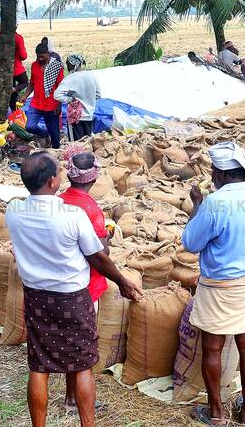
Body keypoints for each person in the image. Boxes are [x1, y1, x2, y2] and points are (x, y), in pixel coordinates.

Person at [5, 151, 141, 427]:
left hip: (36, 298)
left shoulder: (13, 211)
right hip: (72, 298)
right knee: (81, 365)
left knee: (39, 365)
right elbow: (98, 257)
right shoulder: (73, 215)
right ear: (53, 181)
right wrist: (123, 281)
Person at [182, 142, 245, 426]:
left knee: (212, 348)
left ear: (223, 174)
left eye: (214, 171)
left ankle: (216, 415)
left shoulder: (215, 202)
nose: (212, 176)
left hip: (218, 286)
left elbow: (190, 243)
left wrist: (197, 205)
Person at [57, 151, 140, 414]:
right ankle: (74, 400)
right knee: (80, 347)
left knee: (67, 341)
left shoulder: (58, 201)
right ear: (94, 177)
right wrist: (108, 239)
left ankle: (71, 396)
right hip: (84, 286)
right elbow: (99, 254)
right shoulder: (90, 208)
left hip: (59, 283)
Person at [24, 43, 64, 149]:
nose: (40, 59)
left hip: (52, 105)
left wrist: (59, 105)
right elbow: (32, 83)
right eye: (38, 56)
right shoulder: (34, 65)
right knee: (29, 126)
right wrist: (25, 96)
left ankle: (56, 154)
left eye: (43, 56)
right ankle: (45, 133)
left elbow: (61, 87)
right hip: (36, 103)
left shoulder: (56, 67)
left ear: (48, 54)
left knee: (55, 137)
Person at [54, 54, 100, 141]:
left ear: (74, 64)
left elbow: (57, 95)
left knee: (77, 144)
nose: (67, 67)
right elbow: (98, 95)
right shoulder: (91, 76)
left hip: (75, 117)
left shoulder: (70, 78)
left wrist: (70, 99)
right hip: (89, 116)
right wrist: (88, 97)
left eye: (68, 64)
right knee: (88, 142)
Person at [0, 28, 29, 112]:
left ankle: (11, 111)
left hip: (3, 70)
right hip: (16, 69)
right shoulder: (18, 37)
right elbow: (23, 56)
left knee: (11, 93)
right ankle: (13, 90)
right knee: (24, 82)